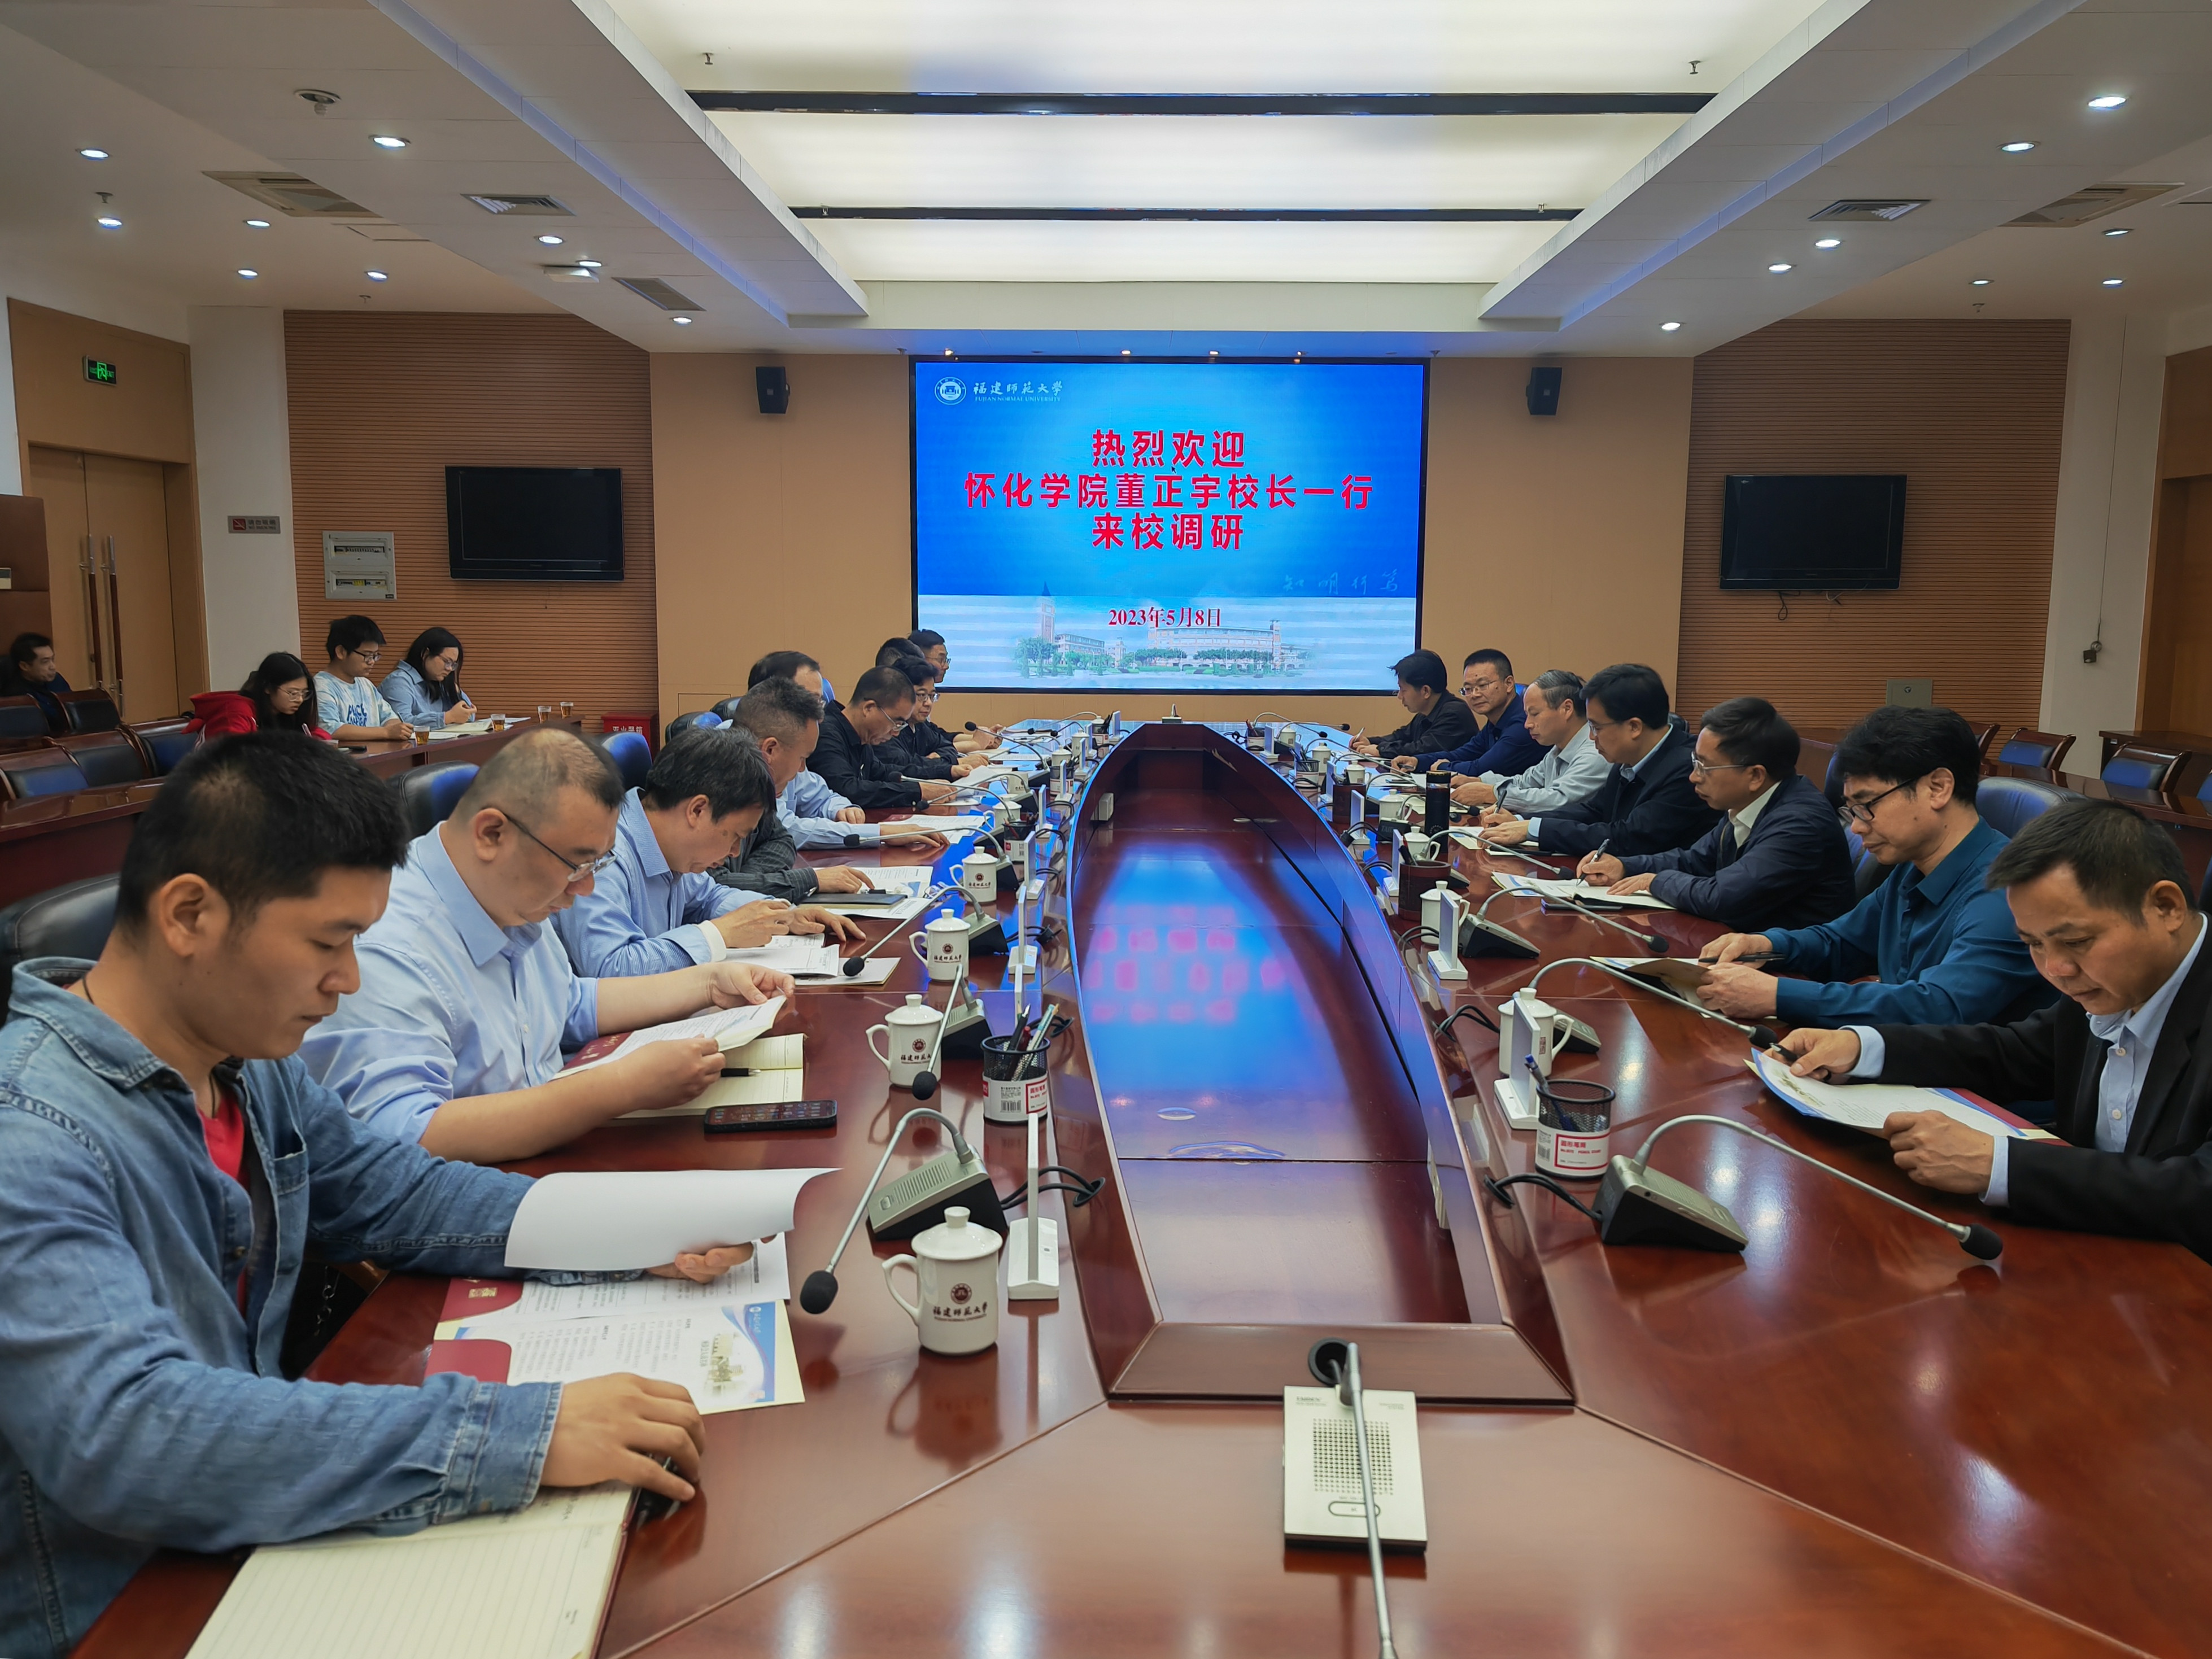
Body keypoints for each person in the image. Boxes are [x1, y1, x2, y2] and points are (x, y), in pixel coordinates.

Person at [0, 734, 751, 1659]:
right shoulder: (31, 1132)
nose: (349, 980)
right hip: (121, 1611)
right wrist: (521, 1432)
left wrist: (638, 1227)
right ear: (189, 913)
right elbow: (133, 1432)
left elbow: (397, 1194)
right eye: (329, 942)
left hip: (248, 1533)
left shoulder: (246, 1066)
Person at [297, 728, 796, 1164]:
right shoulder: (389, 942)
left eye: (596, 865)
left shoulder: (508, 894)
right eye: (576, 865)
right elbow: (406, 1135)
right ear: (491, 834)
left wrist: (707, 983)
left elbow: (569, 1003)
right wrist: (618, 1087)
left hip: (547, 1153)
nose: (585, 889)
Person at [1781, 799, 2212, 1256]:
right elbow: (2012, 1053)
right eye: (2034, 944)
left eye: (2077, 941)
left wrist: (2000, 1166)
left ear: (2165, 907)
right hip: (2097, 1250)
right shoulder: (2105, 981)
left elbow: (2200, 1191)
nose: (2056, 969)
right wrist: (1863, 1047)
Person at [1697, 706, 2053, 1028]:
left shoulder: (2007, 893)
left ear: (1938, 788)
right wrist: (1763, 943)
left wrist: (1777, 996)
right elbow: (1841, 943)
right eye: (1851, 809)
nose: (1856, 826)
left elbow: (1941, 1007)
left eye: (1867, 805)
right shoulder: (1912, 868)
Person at [552, 726, 861, 977]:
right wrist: (718, 935)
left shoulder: (673, 847)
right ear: (697, 810)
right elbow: (610, 968)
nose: (735, 852)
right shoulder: (603, 854)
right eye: (735, 836)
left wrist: (784, 915)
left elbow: (709, 898)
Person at [1581, 696, 1856, 932]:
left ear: (1755, 776)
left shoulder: (1800, 825)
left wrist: (1655, 881)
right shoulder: (1747, 802)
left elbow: (1723, 897)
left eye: (1705, 767)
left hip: (1789, 967)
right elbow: (1694, 861)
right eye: (1695, 762)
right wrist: (1625, 867)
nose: (1693, 777)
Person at [1480, 662, 1716, 858]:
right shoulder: (1627, 759)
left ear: (1634, 727)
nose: (1591, 737)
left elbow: (1629, 837)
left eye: (1596, 727)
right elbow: (1592, 811)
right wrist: (1521, 821)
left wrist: (1535, 829)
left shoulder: (1686, 769)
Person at [714, 678, 906, 901]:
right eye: (802, 758)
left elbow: (783, 840)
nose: (802, 770)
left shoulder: (756, 787)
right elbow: (713, 887)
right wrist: (807, 879)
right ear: (770, 750)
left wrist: (751, 880)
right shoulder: (714, 784)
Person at [1451, 670, 1609, 815]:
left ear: (1567, 709)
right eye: (1527, 715)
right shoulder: (1558, 748)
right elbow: (1526, 781)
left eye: (1535, 714)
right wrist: (1479, 781)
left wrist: (1493, 793)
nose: (1527, 725)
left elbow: (1559, 800)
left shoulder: (1595, 752)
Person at [810, 663, 958, 811]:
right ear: (869, 708)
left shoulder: (861, 737)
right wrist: (918, 792)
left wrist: (946, 771)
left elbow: (885, 773)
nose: (896, 733)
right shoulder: (826, 734)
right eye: (896, 723)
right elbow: (848, 790)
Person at [1395, 650, 1545, 780]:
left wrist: (1443, 768)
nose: (1474, 694)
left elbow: (1482, 769)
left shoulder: (1523, 724)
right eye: (1468, 688)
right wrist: (1417, 761)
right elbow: (1462, 754)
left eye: (1482, 685)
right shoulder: (1494, 723)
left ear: (1509, 684)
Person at [1350, 650, 1478, 759]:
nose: (1400, 696)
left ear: (1425, 691)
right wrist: (1371, 742)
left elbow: (1422, 749)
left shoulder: (1454, 714)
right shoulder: (1427, 711)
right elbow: (1402, 736)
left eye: (1403, 690)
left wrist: (1381, 750)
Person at [315, 615, 414, 744]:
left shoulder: (366, 684)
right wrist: (386, 732)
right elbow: (330, 729)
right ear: (341, 652)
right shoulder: (321, 686)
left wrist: (396, 728)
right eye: (367, 655)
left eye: (375, 656)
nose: (372, 662)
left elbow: (390, 717)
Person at [185, 651, 329, 739]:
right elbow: (233, 757)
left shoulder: (284, 713)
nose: (300, 699)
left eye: (304, 693)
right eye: (292, 693)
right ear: (268, 688)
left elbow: (318, 735)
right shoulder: (236, 712)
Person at [381, 626, 477, 728]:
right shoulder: (398, 682)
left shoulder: (438, 681)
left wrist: (455, 691)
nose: (449, 669)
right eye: (446, 661)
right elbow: (401, 724)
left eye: (453, 664)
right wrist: (447, 717)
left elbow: (469, 717)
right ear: (425, 654)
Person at [4, 632, 71, 730]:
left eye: (53, 659)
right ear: (25, 666)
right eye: (45, 662)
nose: (53, 667)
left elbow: (73, 711)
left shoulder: (57, 680)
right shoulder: (17, 696)